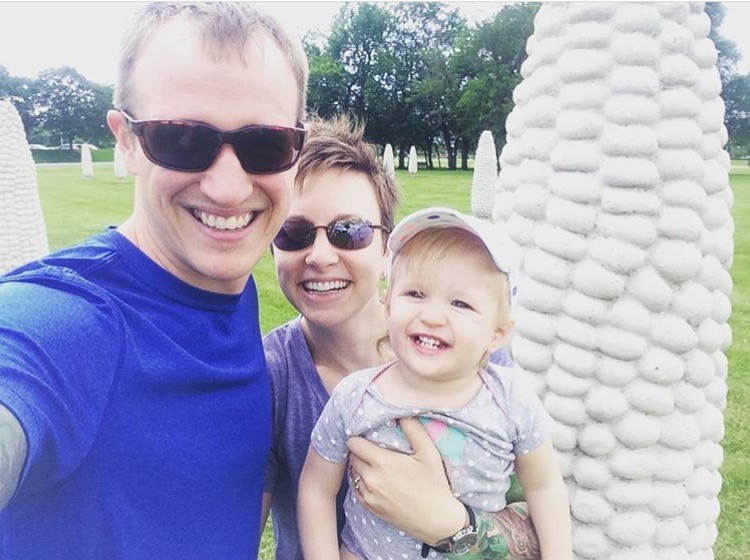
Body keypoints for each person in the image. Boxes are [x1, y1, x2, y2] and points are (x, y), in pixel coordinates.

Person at [0, 2, 308, 558]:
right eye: (184, 139)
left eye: (265, 144)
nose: (229, 189)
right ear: (126, 140)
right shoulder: (67, 322)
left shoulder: (230, 301)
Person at [262, 118, 543, 560]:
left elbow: (538, 506)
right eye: (293, 233)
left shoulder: (475, 357)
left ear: (385, 249)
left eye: (349, 232)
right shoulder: (269, 376)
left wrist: (449, 525)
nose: (319, 256)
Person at [297, 207, 573, 560]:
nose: (431, 315)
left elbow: (545, 487)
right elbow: (316, 487)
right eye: (415, 294)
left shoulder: (510, 399)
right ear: (387, 307)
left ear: (497, 334)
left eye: (460, 303)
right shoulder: (355, 397)